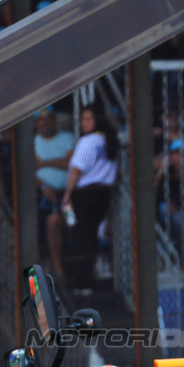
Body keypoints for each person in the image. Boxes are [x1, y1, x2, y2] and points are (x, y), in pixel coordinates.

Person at [61, 105, 119, 294]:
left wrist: (67, 194)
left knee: (82, 238)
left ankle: (83, 282)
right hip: (103, 195)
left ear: (97, 120)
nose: (85, 123)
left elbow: (76, 170)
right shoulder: (108, 141)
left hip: (85, 194)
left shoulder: (88, 141)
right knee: (90, 236)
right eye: (83, 119)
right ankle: (87, 279)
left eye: (89, 118)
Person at [34, 108, 75, 270]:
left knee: (72, 223)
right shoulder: (33, 142)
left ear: (54, 120)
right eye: (41, 120)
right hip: (46, 199)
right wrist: (44, 186)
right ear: (37, 124)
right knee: (52, 221)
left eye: (48, 118)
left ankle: (77, 262)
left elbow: (70, 164)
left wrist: (44, 163)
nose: (45, 122)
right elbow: (31, 169)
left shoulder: (67, 137)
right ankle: (59, 269)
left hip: (67, 196)